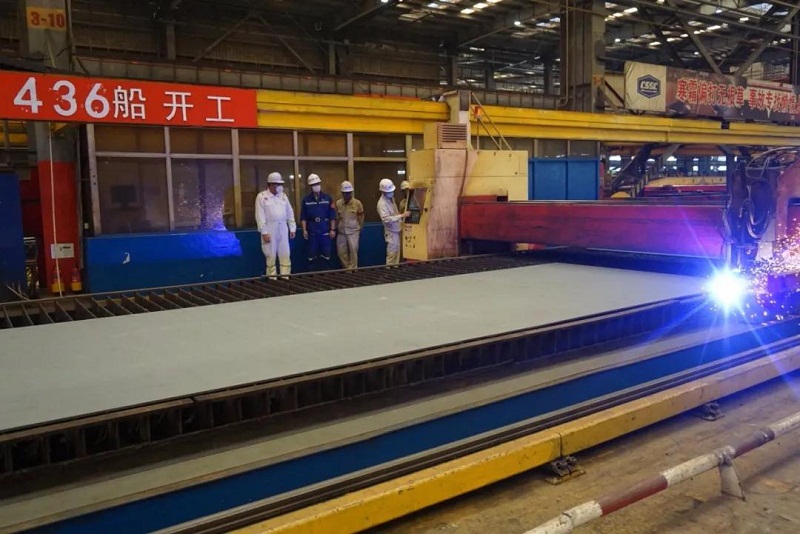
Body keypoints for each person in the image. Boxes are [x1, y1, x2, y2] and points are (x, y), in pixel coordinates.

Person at [255, 172, 296, 279]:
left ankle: (285, 277)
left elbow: (289, 212)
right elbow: (260, 216)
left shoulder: (283, 196)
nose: (280, 186)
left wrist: (292, 228)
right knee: (270, 254)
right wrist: (264, 232)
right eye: (278, 184)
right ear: (271, 185)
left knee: (285, 253)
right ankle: (272, 278)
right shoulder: (262, 197)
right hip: (270, 228)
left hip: (283, 228)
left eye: (280, 184)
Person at [300, 173, 336, 270]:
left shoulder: (327, 198)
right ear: (310, 187)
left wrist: (332, 229)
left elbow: (332, 215)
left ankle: (326, 275)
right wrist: (304, 230)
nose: (316, 186)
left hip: (325, 231)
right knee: (311, 256)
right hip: (312, 232)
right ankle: (312, 276)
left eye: (317, 184)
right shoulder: (306, 200)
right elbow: (303, 216)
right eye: (314, 185)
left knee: (326, 255)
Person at [377, 178, 410, 265]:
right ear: (383, 192)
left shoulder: (391, 199)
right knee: (392, 256)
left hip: (397, 230)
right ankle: (389, 272)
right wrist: (402, 215)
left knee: (397, 256)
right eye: (389, 192)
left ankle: (395, 271)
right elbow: (386, 219)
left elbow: (395, 212)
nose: (391, 193)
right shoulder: (382, 204)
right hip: (391, 233)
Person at [335, 181, 364, 270]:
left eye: (349, 193)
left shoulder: (357, 203)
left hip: (353, 231)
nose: (347, 195)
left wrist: (360, 227)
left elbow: (361, 217)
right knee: (341, 252)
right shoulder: (338, 203)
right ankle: (347, 268)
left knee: (353, 251)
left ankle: (353, 269)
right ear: (342, 193)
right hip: (341, 232)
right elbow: (337, 217)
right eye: (345, 193)